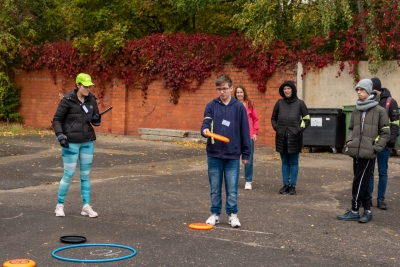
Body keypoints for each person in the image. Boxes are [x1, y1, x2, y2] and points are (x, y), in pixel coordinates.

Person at [201, 74, 251, 228]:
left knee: (232, 188)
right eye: (219, 89)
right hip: (214, 153)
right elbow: (206, 123)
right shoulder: (211, 105)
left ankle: (232, 215)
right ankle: (215, 214)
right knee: (215, 187)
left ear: (231, 88)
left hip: (232, 154)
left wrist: (246, 153)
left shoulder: (238, 107)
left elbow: (245, 130)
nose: (221, 92)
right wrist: (205, 130)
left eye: (224, 89)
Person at [338, 79, 390, 223]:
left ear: (368, 91)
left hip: (368, 153)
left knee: (358, 181)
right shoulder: (356, 109)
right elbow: (351, 128)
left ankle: (354, 210)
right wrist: (350, 141)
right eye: (357, 90)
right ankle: (367, 210)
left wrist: (376, 148)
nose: (359, 92)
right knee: (364, 181)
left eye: (361, 90)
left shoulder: (380, 111)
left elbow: (386, 132)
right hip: (355, 151)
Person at [52, 73, 102, 218]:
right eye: (85, 86)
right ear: (78, 85)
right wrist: (60, 135)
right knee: (68, 174)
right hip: (70, 143)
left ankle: (86, 206)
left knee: (85, 175)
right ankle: (59, 206)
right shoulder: (67, 100)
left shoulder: (91, 99)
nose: (88, 89)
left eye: (89, 86)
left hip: (87, 141)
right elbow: (57, 120)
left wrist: (97, 119)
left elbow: (95, 119)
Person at [271, 81, 310, 195]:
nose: (286, 91)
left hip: (294, 138)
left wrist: (299, 129)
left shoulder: (300, 103)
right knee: (284, 162)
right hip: (281, 137)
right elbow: (273, 118)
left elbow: (306, 119)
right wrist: (277, 128)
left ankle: (292, 185)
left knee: (293, 162)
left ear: (292, 90)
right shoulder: (279, 103)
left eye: (288, 88)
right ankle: (285, 184)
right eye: (285, 89)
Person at [368, 78, 399, 210]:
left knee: (382, 172)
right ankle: (367, 198)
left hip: (384, 144)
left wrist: (390, 140)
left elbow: (395, 124)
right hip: (369, 144)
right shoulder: (368, 101)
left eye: (373, 91)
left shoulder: (390, 102)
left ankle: (381, 199)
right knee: (369, 172)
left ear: (379, 90)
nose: (372, 93)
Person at [234, 85, 259, 190]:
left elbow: (255, 119)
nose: (239, 94)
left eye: (241, 92)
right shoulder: (232, 104)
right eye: (237, 92)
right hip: (235, 136)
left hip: (248, 136)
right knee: (234, 159)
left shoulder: (250, 104)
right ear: (235, 94)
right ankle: (233, 180)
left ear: (244, 93)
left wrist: (255, 132)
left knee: (248, 159)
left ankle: (248, 181)